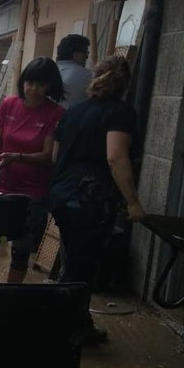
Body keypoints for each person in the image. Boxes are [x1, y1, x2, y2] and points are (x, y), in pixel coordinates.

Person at [49, 56, 144, 343]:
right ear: (125, 84)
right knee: (80, 268)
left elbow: (55, 157)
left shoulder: (73, 112)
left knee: (74, 261)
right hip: (89, 200)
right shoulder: (120, 113)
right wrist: (133, 201)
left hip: (63, 195)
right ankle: (61, 328)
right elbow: (115, 156)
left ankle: (73, 321)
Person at [0, 58, 65, 283]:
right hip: (1, 187)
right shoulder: (9, 104)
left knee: (21, 250)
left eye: (40, 84)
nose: (33, 89)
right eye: (29, 82)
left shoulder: (55, 114)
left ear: (50, 86)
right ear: (23, 82)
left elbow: (49, 157)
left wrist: (17, 157)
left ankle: (9, 293)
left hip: (33, 193)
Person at [56, 34, 92, 109]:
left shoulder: (49, 71)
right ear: (76, 55)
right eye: (86, 54)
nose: (87, 57)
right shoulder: (87, 75)